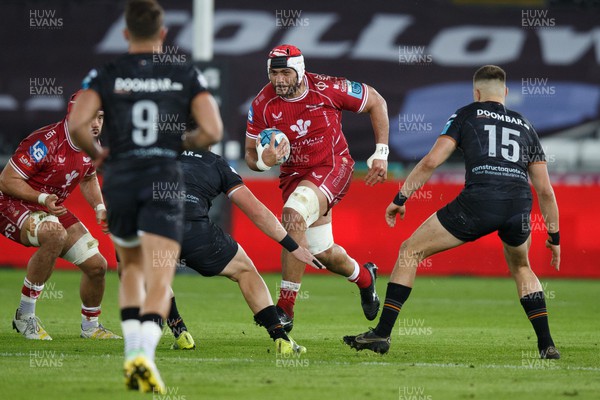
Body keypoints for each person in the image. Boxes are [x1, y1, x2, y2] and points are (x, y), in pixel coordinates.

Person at [343, 65, 561, 360]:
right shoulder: (525, 125)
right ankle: (547, 345)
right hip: (518, 204)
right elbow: (546, 190)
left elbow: (432, 161)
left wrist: (401, 196)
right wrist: (554, 236)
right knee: (522, 268)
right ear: (505, 93)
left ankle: (381, 333)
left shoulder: (467, 114)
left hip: (480, 200)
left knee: (410, 251)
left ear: (476, 92)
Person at [67, 0, 223, 394]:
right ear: (164, 34)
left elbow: (77, 123)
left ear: (125, 33)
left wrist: (99, 152)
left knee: (131, 267)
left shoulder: (107, 73)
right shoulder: (183, 72)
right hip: (163, 179)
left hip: (120, 179)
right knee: (160, 271)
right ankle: (144, 357)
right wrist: (182, 141)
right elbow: (213, 129)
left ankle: (134, 355)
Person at [244, 44, 390, 332]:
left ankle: (285, 308)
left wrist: (381, 152)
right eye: (274, 73)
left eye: (286, 72)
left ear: (300, 70)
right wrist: (263, 163)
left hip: (333, 166)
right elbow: (250, 154)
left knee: (293, 214)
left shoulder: (327, 87)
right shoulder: (262, 103)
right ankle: (365, 278)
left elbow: (377, 101)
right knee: (322, 252)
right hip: (293, 177)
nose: (280, 80)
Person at [175, 136, 323, 354]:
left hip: (154, 231)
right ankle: (281, 338)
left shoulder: (159, 158)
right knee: (245, 270)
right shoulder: (217, 164)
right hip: (195, 235)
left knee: (138, 266)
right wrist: (294, 247)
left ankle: (179, 332)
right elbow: (257, 212)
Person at [0, 92, 119, 341]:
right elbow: (6, 180)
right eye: (90, 117)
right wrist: (42, 198)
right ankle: (25, 316)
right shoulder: (45, 142)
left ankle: (90, 327)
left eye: (100, 117)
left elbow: (87, 177)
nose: (96, 124)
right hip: (12, 204)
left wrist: (99, 207)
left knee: (97, 267)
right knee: (54, 235)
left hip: (49, 208)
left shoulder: (90, 145)